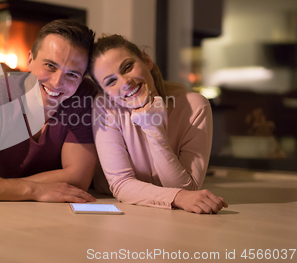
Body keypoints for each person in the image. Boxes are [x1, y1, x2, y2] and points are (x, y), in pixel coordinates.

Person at [0, 19, 99, 203]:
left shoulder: (83, 97)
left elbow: (78, 178)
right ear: (30, 60)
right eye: (50, 65)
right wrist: (32, 190)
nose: (57, 82)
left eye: (72, 74)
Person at [90, 34, 228, 214]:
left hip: (159, 211)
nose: (125, 82)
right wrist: (177, 197)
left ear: (146, 60)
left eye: (128, 67)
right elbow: (121, 184)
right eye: (111, 81)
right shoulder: (105, 107)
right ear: (105, 92)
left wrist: (152, 127)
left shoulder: (195, 107)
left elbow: (188, 189)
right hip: (119, 207)